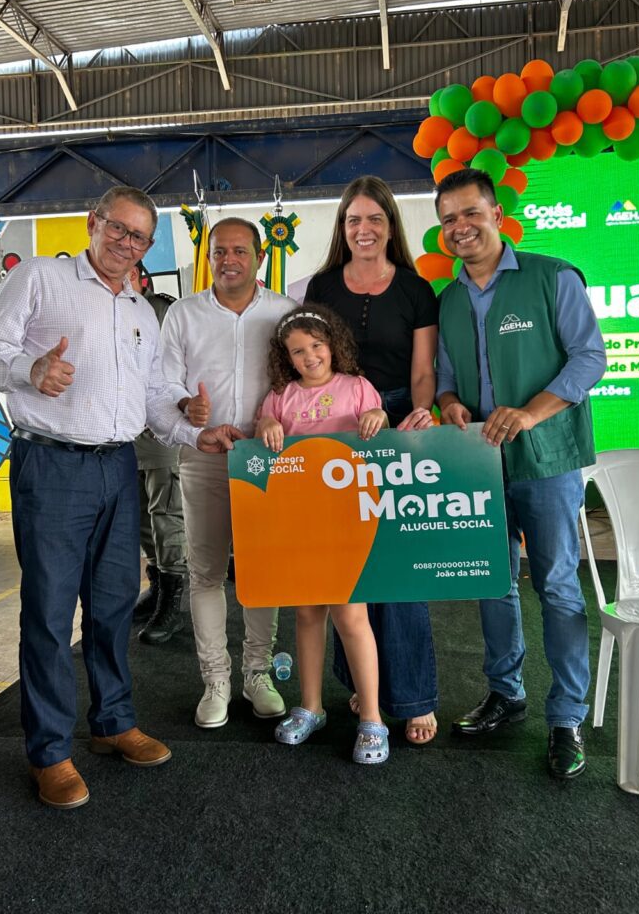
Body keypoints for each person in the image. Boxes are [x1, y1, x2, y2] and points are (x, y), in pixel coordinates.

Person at [0, 187, 198, 810]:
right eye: (118, 229)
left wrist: (193, 428)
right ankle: (49, 752)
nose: (127, 244)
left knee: (114, 605)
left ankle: (112, 723)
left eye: (140, 236)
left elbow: (154, 399)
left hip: (119, 465)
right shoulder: (42, 278)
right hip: (51, 463)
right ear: (93, 222)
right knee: (48, 613)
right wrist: (30, 370)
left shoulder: (142, 310)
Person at [434, 167, 606, 780]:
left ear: (497, 215)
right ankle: (506, 694)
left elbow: (591, 358)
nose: (460, 227)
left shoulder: (552, 277)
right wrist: (449, 405)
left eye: (470, 213)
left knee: (556, 585)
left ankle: (566, 717)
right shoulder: (449, 300)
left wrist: (532, 413)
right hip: (479, 463)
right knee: (493, 580)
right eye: (448, 219)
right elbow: (447, 378)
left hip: (548, 459)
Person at [304, 175, 440, 744]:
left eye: (375, 219)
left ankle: (413, 697)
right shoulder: (321, 286)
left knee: (400, 566)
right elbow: (312, 364)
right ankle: (366, 683)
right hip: (339, 431)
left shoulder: (415, 289)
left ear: (390, 226)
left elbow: (423, 370)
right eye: (354, 219)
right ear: (343, 227)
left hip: (398, 424)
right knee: (350, 565)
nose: (364, 229)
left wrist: (420, 416)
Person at [160, 217, 297, 730]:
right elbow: (163, 382)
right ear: (209, 257)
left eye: (240, 250)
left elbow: (304, 379)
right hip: (205, 453)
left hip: (268, 459)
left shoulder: (284, 311)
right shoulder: (183, 313)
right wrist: (185, 405)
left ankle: (257, 674)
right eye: (219, 251)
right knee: (206, 572)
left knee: (263, 571)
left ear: (259, 257)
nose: (229, 260)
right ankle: (215, 680)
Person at [258, 305, 390, 764]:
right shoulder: (280, 396)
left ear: (333, 345)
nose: (310, 356)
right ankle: (311, 707)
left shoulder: (357, 387)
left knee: (351, 616)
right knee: (307, 613)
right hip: (300, 522)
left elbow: (380, 433)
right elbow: (264, 439)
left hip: (349, 521)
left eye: (317, 345)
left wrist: (378, 416)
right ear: (286, 357)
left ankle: (371, 717)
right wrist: (266, 424)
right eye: (298, 351)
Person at [127, 263, 189, 645]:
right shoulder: (106, 310)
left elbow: (178, 372)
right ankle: (156, 586)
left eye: (129, 273)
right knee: (140, 519)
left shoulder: (163, 312)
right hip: (125, 433)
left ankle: (172, 602)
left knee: (166, 517)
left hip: (160, 433)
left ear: (141, 278)